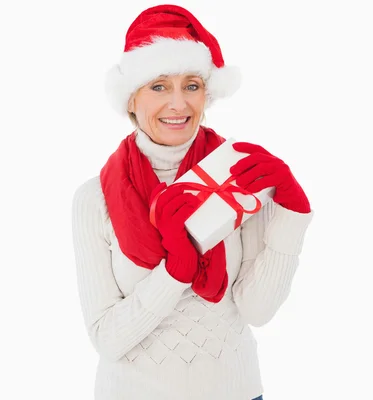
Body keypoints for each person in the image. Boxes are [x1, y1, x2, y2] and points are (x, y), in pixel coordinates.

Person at [71, 4, 314, 400]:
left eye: (192, 85)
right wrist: (176, 271)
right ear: (130, 99)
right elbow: (107, 338)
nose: (178, 104)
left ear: (207, 93)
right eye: (158, 86)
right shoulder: (93, 199)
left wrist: (291, 211)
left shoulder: (235, 176)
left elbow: (257, 310)